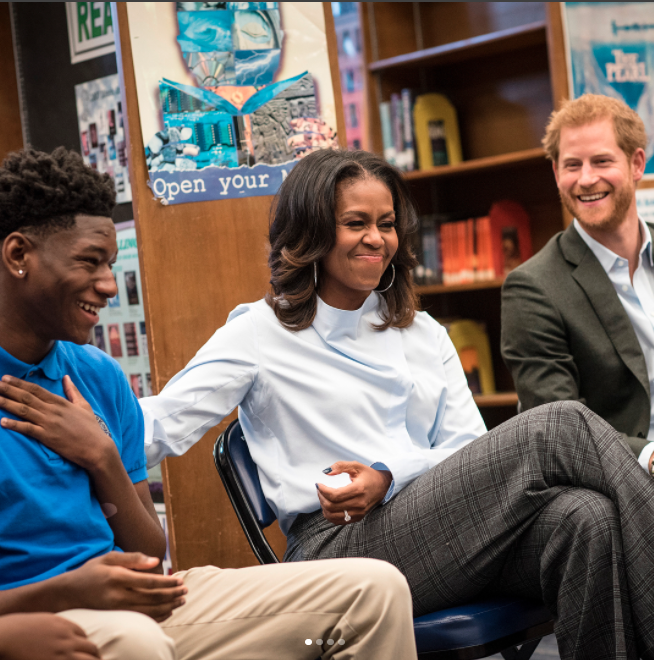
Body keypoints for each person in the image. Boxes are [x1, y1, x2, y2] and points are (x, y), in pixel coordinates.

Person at [138, 147, 654, 660]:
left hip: (445, 528)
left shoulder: (422, 331)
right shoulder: (259, 331)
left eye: (386, 224)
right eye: (354, 223)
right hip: (335, 548)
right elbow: (159, 424)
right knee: (558, 424)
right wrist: (82, 423)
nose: (376, 239)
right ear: (311, 230)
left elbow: (469, 452)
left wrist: (389, 474)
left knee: (586, 518)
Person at [0, 147, 417, 660]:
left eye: (111, 264)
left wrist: (102, 456)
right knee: (138, 643)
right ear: (18, 255)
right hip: (41, 612)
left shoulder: (97, 376)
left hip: (144, 601)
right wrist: (55, 598)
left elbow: (150, 552)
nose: (109, 285)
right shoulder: (260, 332)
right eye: (90, 262)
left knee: (374, 590)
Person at [501, 94, 654, 471]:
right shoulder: (532, 288)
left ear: (636, 163)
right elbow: (561, 429)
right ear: (556, 173)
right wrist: (650, 456)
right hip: (625, 480)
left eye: (602, 161)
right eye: (572, 165)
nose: (586, 179)